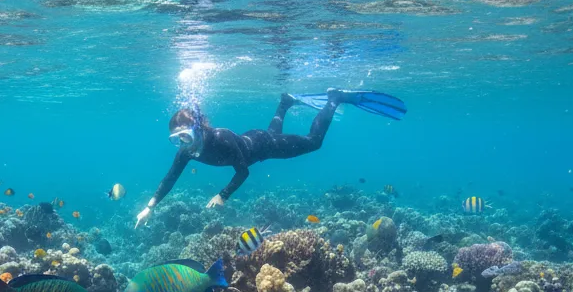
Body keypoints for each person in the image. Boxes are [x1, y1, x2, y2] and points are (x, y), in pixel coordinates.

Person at [134, 88, 405, 228]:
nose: (182, 144)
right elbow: (170, 178)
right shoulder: (187, 151)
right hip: (254, 140)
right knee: (273, 131)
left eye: (184, 136)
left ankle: (334, 99)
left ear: (197, 130)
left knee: (314, 143)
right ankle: (284, 103)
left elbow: (243, 172)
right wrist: (150, 206)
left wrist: (223, 195)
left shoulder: (220, 139)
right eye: (176, 140)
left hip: (263, 146)